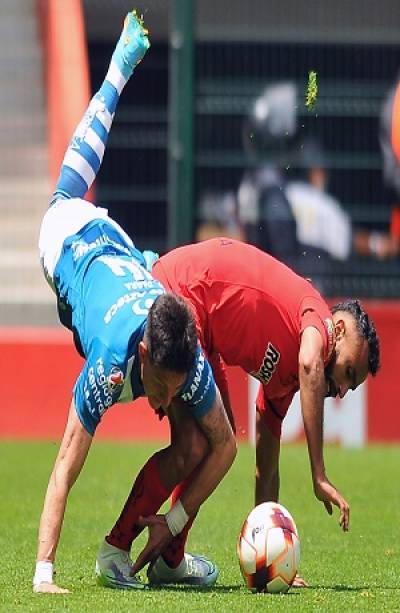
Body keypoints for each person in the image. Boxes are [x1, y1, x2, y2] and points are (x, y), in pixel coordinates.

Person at [32, 11, 236, 594]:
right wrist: (44, 571)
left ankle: (130, 553)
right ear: (143, 352)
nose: (165, 402)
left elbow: (223, 443)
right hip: (70, 244)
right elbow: (65, 465)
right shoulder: (105, 368)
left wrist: (172, 524)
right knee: (64, 196)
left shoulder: (185, 358)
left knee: (195, 436)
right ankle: (118, 72)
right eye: (163, 388)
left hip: (124, 252)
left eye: (173, 390)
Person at [97, 237, 380, 588]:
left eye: (349, 387)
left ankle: (170, 560)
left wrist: (272, 553)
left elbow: (266, 471)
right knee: (198, 444)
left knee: (219, 441)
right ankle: (115, 549)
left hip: (201, 323)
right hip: (181, 300)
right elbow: (311, 365)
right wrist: (318, 475)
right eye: (348, 372)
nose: (339, 389)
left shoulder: (285, 381)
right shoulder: (317, 320)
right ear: (338, 331)